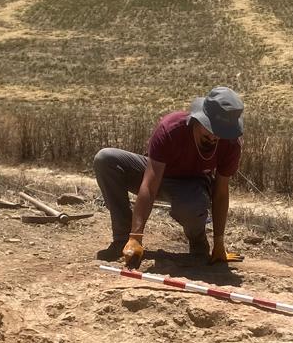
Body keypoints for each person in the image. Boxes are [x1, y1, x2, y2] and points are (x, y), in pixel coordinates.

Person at [93, 87, 245, 268]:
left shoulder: (231, 144)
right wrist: (136, 236)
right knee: (105, 160)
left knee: (191, 205)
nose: (214, 137)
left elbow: (220, 192)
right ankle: (123, 240)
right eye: (210, 130)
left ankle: (198, 243)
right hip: (159, 174)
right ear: (198, 118)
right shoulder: (171, 129)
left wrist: (219, 242)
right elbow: (150, 184)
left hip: (192, 187)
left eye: (220, 134)